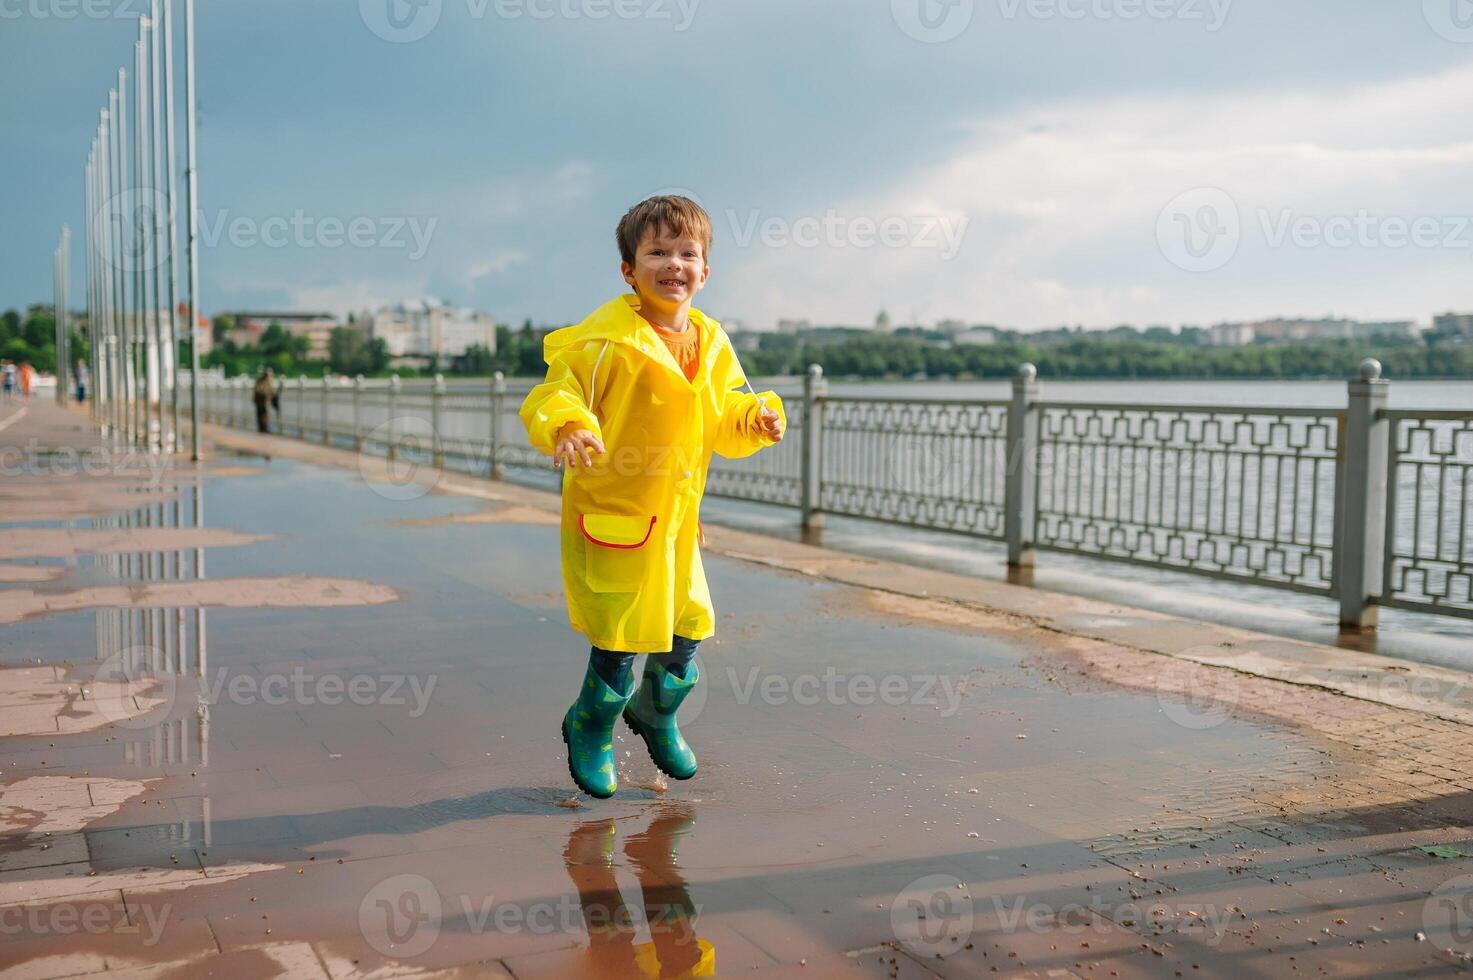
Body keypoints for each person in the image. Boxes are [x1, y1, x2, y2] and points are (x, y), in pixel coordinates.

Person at [520, 195, 784, 798]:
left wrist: (757, 419)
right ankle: (591, 723)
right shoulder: (604, 341)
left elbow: (727, 414)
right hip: (616, 516)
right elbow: (552, 394)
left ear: (705, 271)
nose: (674, 265)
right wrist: (569, 425)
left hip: (677, 522)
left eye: (688, 253)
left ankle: (655, 712)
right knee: (619, 638)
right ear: (629, 271)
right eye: (657, 252)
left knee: (688, 627)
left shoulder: (712, 342)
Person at [253, 367, 277, 433]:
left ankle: (264, 428)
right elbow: (258, 390)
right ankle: (262, 428)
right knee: (261, 414)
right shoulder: (260, 380)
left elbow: (271, 390)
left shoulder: (269, 380)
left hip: (264, 401)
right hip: (260, 401)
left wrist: (272, 396)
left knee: (264, 414)